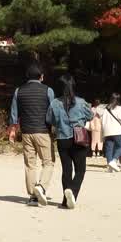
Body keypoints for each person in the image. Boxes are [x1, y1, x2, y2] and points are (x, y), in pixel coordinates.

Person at [9, 62, 56, 205]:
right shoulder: (48, 90)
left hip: (26, 132)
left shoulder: (19, 91)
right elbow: (53, 112)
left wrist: (12, 131)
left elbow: (14, 113)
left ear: (27, 76)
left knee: (30, 164)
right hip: (43, 131)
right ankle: (41, 187)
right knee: (48, 162)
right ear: (41, 76)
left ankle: (32, 196)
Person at [47, 75, 92, 209]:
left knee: (66, 170)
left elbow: (50, 120)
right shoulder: (81, 102)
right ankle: (72, 191)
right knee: (80, 170)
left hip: (62, 138)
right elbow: (90, 115)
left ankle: (66, 200)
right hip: (79, 138)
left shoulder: (55, 103)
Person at [97, 93, 121, 172]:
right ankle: (114, 161)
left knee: (109, 149)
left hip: (106, 131)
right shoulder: (119, 108)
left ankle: (109, 166)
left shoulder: (104, 108)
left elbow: (98, 111)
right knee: (119, 147)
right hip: (116, 130)